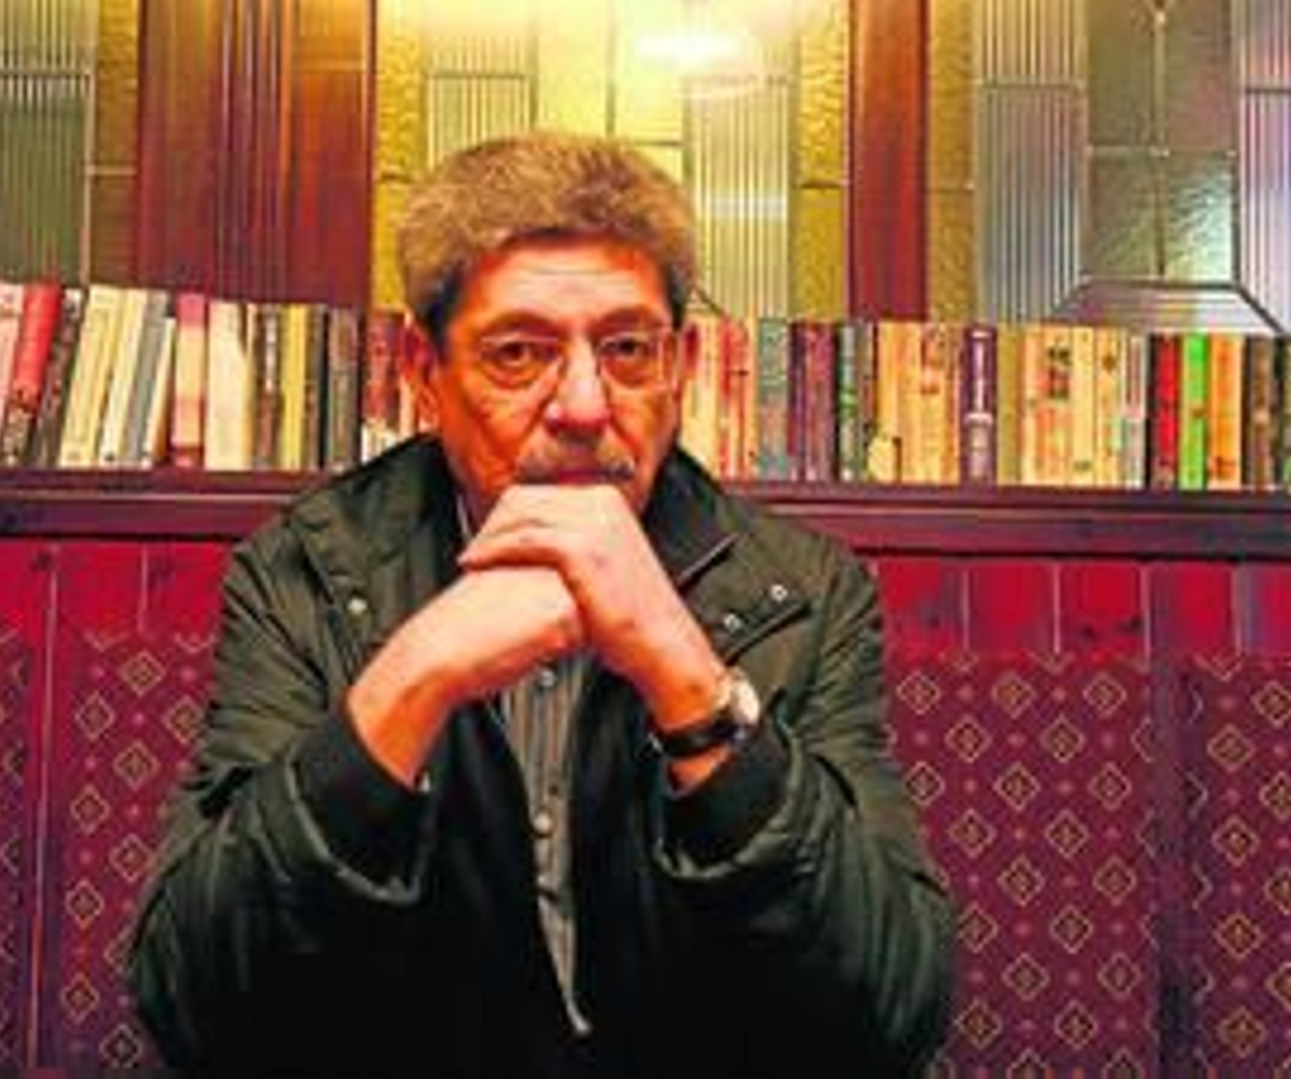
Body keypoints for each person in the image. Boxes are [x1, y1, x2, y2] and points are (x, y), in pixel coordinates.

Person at [129, 131, 953, 1077]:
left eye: (628, 348)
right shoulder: (305, 570)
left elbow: (890, 1015)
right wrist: (410, 679)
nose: (585, 406)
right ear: (422, 371)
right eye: (519, 352)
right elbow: (195, 1006)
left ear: (681, 364)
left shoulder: (803, 591)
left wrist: (688, 680)